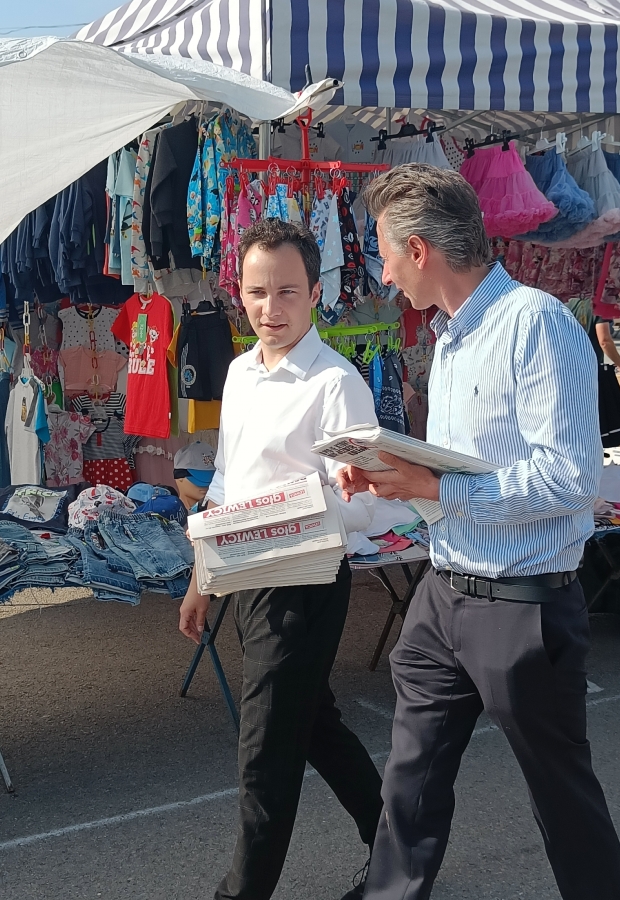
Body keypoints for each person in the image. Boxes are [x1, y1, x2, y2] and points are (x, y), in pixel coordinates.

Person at [337, 164, 620, 900]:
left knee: (561, 798)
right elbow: (464, 473)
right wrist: (392, 475)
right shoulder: (452, 339)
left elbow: (570, 479)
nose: (382, 273)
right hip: (443, 595)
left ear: (419, 250)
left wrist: (436, 487)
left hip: (523, 604)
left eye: (385, 254)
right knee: (407, 788)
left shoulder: (535, 323)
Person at [178, 219, 383, 900]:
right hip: (247, 577)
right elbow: (228, 481)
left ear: (316, 293)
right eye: (258, 292)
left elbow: (366, 507)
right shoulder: (240, 372)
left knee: (264, 749)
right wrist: (203, 578)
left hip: (306, 582)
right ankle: (398, 847)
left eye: (287, 291)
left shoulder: (336, 384)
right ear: (239, 293)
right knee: (312, 724)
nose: (271, 308)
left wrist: (291, 514)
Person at [567, 296, 620, 447]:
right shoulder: (600, 307)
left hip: (568, 369)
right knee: (597, 421)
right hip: (591, 369)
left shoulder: (569, 303)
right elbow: (604, 340)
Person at [172, 441, 216, 513]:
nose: (207, 486)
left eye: (212, 477)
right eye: (201, 477)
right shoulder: (172, 515)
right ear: (180, 478)